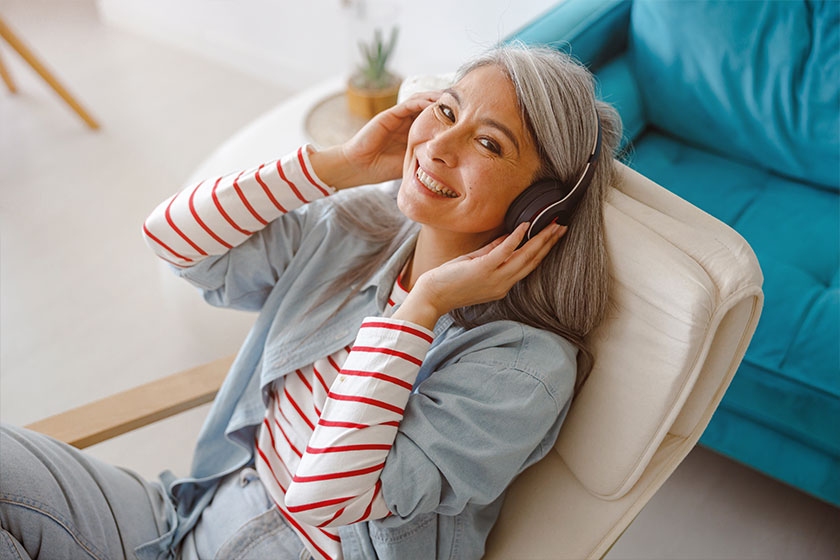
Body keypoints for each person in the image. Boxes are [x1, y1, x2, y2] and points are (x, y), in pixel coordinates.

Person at [0, 43, 621, 559]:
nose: (439, 145)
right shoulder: (363, 228)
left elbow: (322, 497)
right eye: (445, 110)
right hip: (194, 515)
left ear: (541, 205)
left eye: (489, 144)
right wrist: (339, 165)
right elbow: (171, 238)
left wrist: (420, 308)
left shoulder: (522, 367)